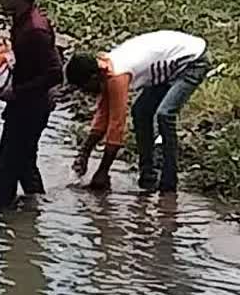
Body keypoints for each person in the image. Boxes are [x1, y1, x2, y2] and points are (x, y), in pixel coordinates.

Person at [66, 30, 210, 193]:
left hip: (192, 61)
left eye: (85, 88)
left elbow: (117, 126)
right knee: (140, 111)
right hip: (169, 65)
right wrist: (83, 154)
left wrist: (102, 171)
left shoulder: (117, 76)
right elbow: (102, 117)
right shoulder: (104, 69)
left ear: (93, 78)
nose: (86, 93)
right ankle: (148, 178)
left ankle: (168, 185)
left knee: (165, 115)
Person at [0, 0, 63, 209]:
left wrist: (16, 91)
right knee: (24, 164)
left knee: (7, 166)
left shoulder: (35, 29)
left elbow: (55, 73)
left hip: (30, 107)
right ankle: (34, 215)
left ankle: (3, 217)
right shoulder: (24, 21)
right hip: (26, 103)